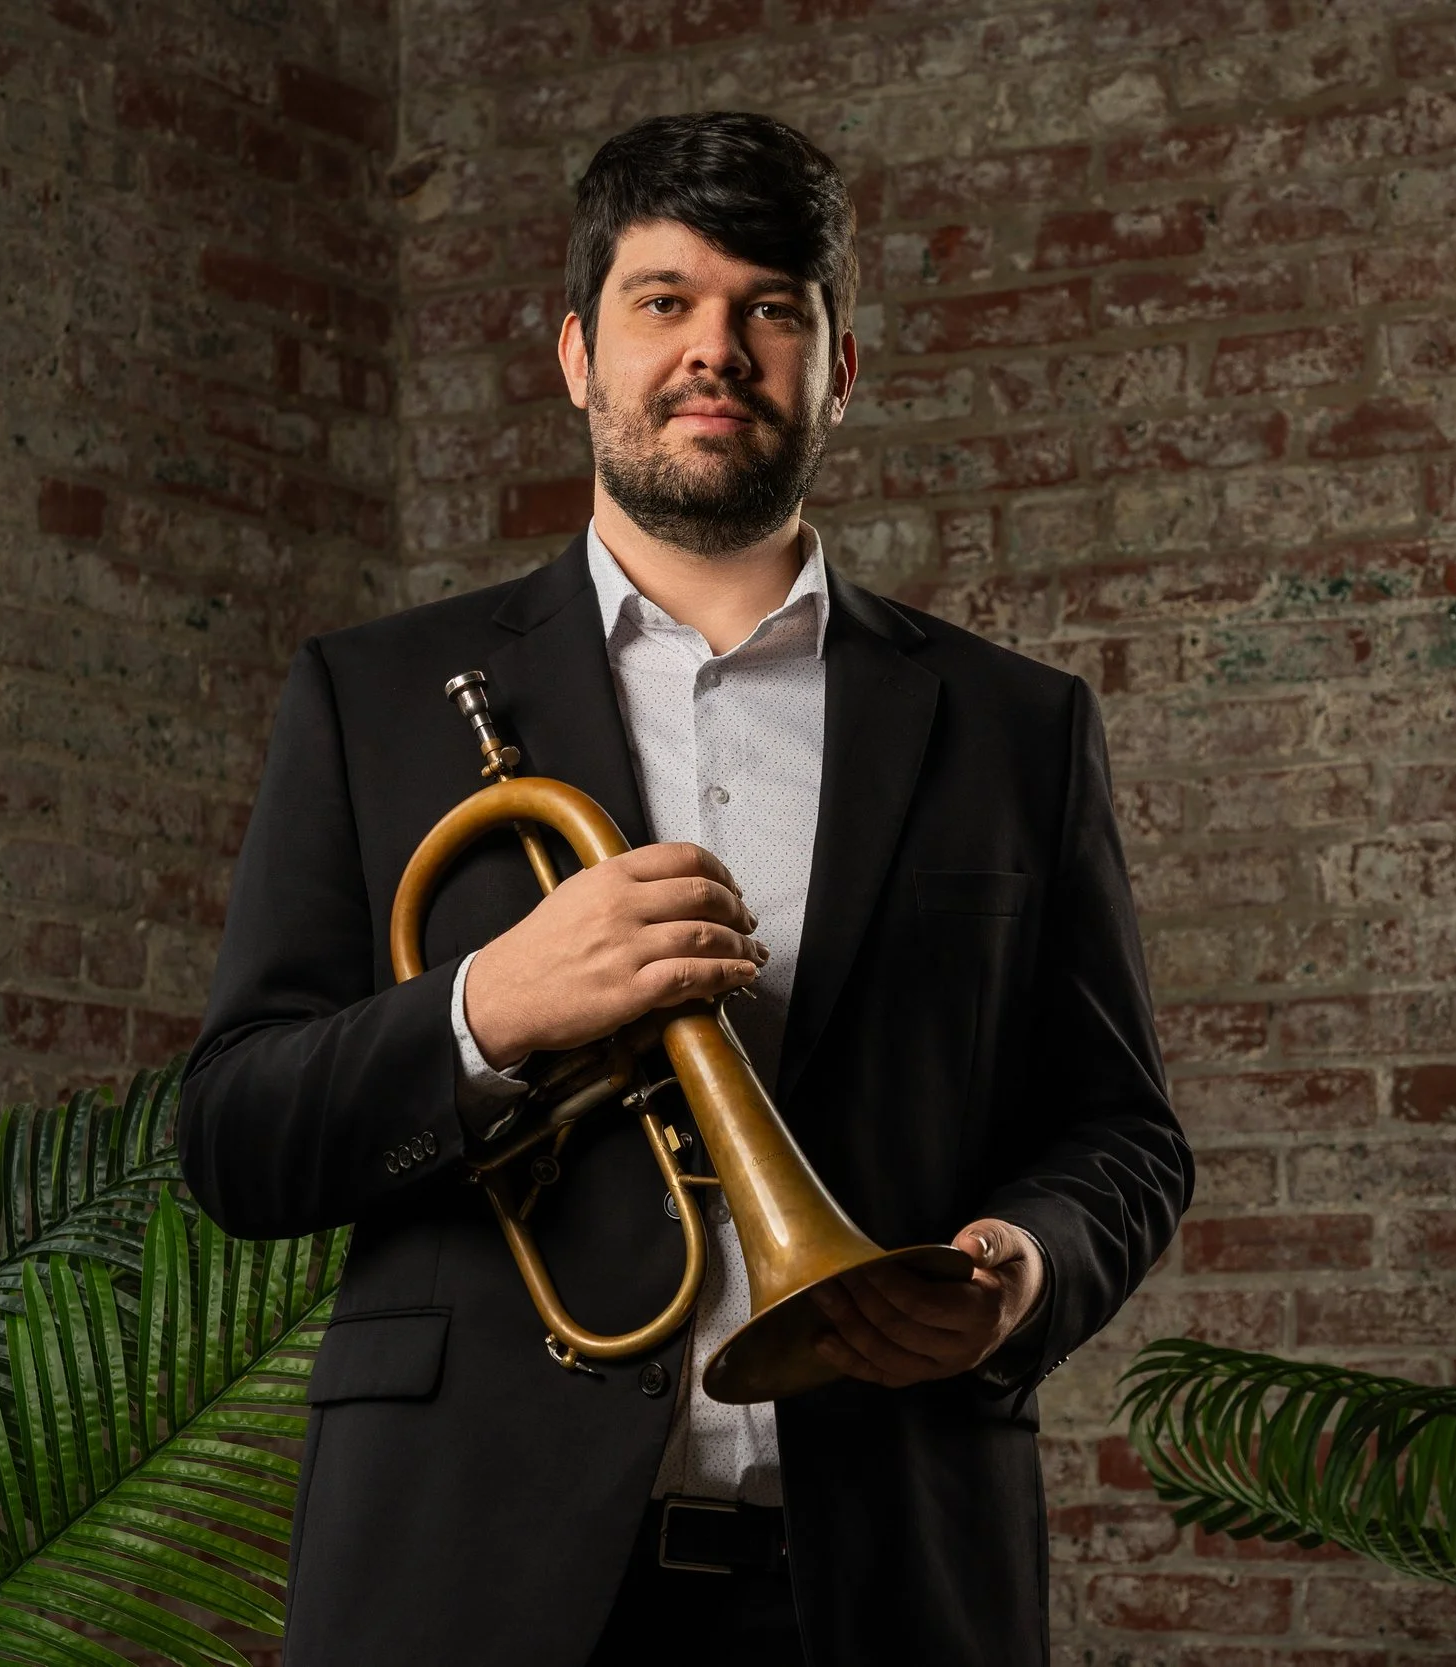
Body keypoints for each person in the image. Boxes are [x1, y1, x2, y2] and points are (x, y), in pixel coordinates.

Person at [179, 111, 1191, 1667]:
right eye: (664, 301)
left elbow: (1121, 1131)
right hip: (470, 1572)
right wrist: (487, 1009)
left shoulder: (1014, 726)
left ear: (837, 369)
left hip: (885, 1577)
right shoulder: (370, 698)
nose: (713, 349)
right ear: (577, 355)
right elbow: (236, 1136)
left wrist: (1027, 1268)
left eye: (769, 308)